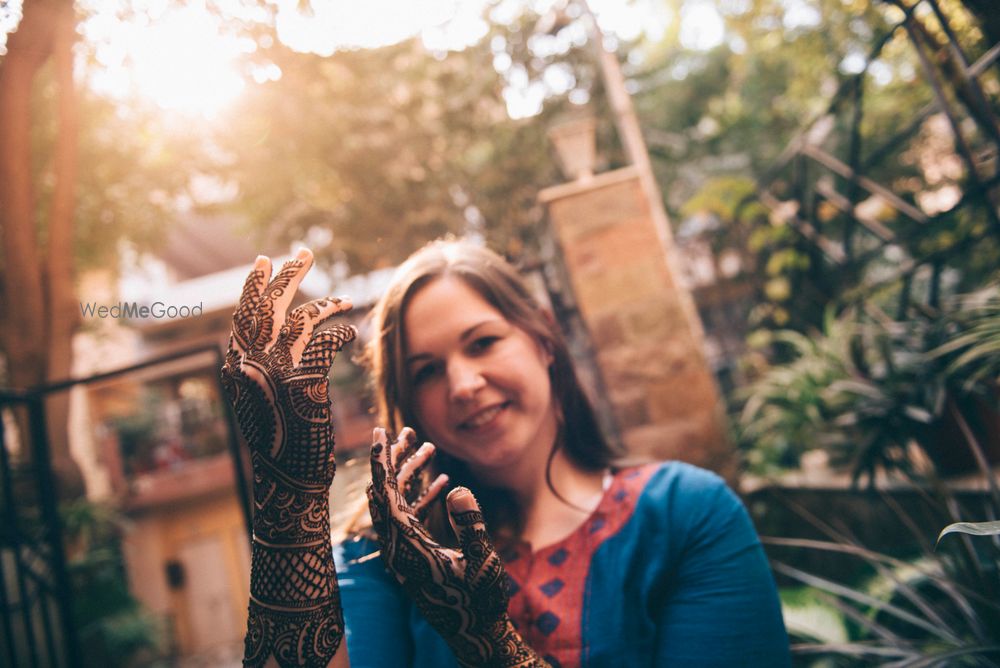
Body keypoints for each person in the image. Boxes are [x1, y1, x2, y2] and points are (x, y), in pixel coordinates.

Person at [220, 241, 791, 668]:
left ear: (542, 338)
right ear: (407, 402)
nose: (464, 384)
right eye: (427, 371)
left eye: (483, 342)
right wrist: (289, 492)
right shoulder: (382, 554)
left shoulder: (686, 515)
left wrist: (485, 642)